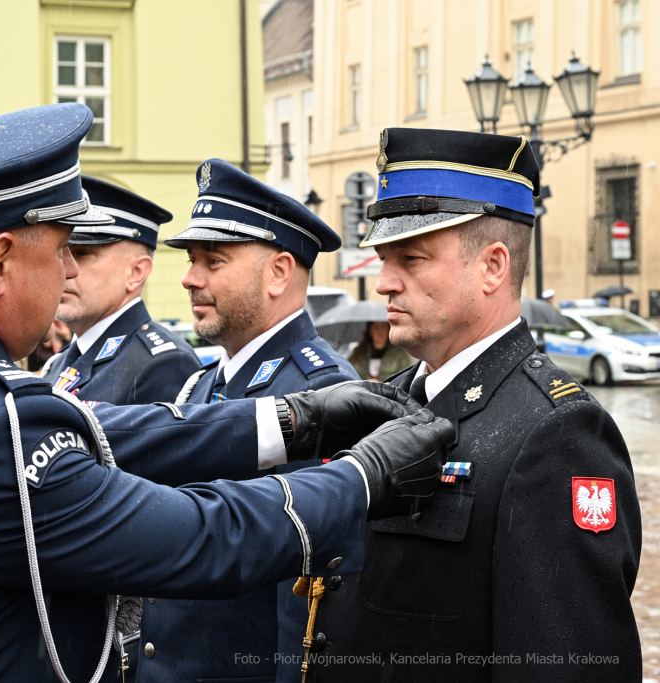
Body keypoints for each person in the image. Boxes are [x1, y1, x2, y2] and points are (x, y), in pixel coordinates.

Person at [0, 103, 453, 682]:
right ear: (1, 261)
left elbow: (88, 429)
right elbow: (200, 536)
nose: (67, 269)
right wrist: (367, 475)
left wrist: (290, 420)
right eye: (61, 247)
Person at [300, 127, 641, 682]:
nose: (384, 282)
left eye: (411, 257)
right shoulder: (393, 402)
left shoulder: (556, 434)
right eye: (384, 258)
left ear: (492, 267)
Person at [133, 158, 360, 683]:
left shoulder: (321, 393)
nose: (189, 279)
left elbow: (307, 599)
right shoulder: (201, 384)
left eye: (213, 260)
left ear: (279, 272)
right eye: (192, 260)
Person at [44, 176, 201, 403]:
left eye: (83, 254)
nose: (66, 269)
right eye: (62, 252)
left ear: (136, 272)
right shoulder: (59, 363)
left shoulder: (164, 365)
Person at [348, 320, 414, 381]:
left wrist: (382, 386)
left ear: (389, 329)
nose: (380, 331)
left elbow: (405, 380)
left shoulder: (400, 355)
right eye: (376, 327)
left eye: (383, 327)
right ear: (370, 330)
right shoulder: (358, 353)